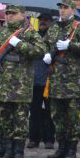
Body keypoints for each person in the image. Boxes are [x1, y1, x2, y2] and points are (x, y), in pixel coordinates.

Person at [0, 4, 48, 158]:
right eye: (7, 13)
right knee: (4, 120)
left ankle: (19, 153)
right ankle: (8, 152)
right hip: (2, 84)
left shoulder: (29, 32)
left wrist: (19, 44)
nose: (9, 16)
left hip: (20, 85)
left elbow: (40, 51)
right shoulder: (0, 32)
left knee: (20, 121)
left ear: (22, 15)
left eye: (13, 13)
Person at [42, 0, 80, 158]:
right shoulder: (54, 28)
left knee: (72, 118)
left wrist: (71, 45)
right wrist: (45, 54)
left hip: (73, 83)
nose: (62, 10)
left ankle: (71, 151)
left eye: (65, 8)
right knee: (57, 117)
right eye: (61, 8)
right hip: (55, 82)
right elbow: (44, 44)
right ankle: (61, 148)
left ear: (72, 9)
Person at [28, 15, 55, 150]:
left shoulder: (54, 36)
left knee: (49, 112)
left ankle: (49, 139)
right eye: (41, 20)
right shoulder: (34, 36)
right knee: (34, 111)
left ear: (51, 22)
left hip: (50, 79)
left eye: (46, 20)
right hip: (35, 78)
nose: (43, 22)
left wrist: (52, 56)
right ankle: (34, 139)